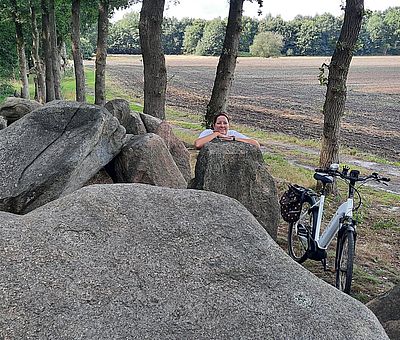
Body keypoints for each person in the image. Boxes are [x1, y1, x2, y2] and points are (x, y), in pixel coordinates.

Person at [194, 112, 260, 149]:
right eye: (219, 123)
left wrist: (234, 139)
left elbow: (256, 144)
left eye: (225, 123)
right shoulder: (208, 132)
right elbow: (198, 144)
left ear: (228, 125)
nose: (222, 126)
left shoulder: (232, 133)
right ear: (214, 125)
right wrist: (216, 134)